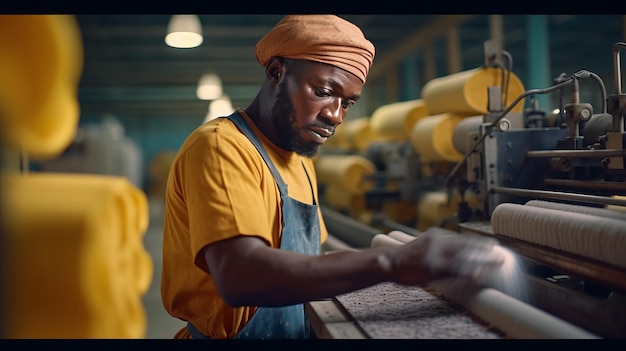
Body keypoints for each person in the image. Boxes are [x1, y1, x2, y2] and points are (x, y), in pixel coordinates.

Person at [161, 14, 506, 339]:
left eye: (348, 103)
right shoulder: (222, 147)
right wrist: (392, 261)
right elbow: (240, 277)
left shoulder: (299, 158)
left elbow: (306, 261)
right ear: (277, 72)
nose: (336, 116)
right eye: (323, 92)